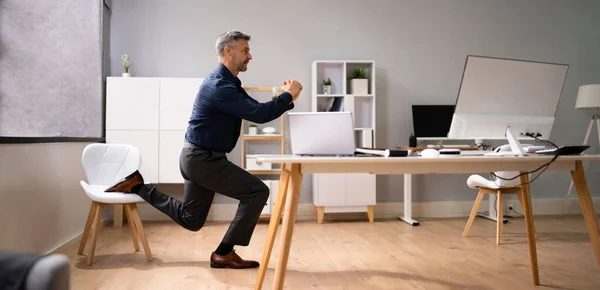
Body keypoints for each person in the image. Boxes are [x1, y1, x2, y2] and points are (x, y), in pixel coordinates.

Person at [104, 30, 302, 269]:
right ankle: (223, 253)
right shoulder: (220, 86)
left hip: (198, 158)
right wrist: (289, 95)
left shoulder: (228, 82)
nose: (250, 56)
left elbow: (255, 108)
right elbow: (259, 114)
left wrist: (283, 98)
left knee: (191, 220)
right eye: (245, 50)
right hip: (203, 160)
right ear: (228, 51)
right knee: (257, 192)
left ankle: (137, 186)